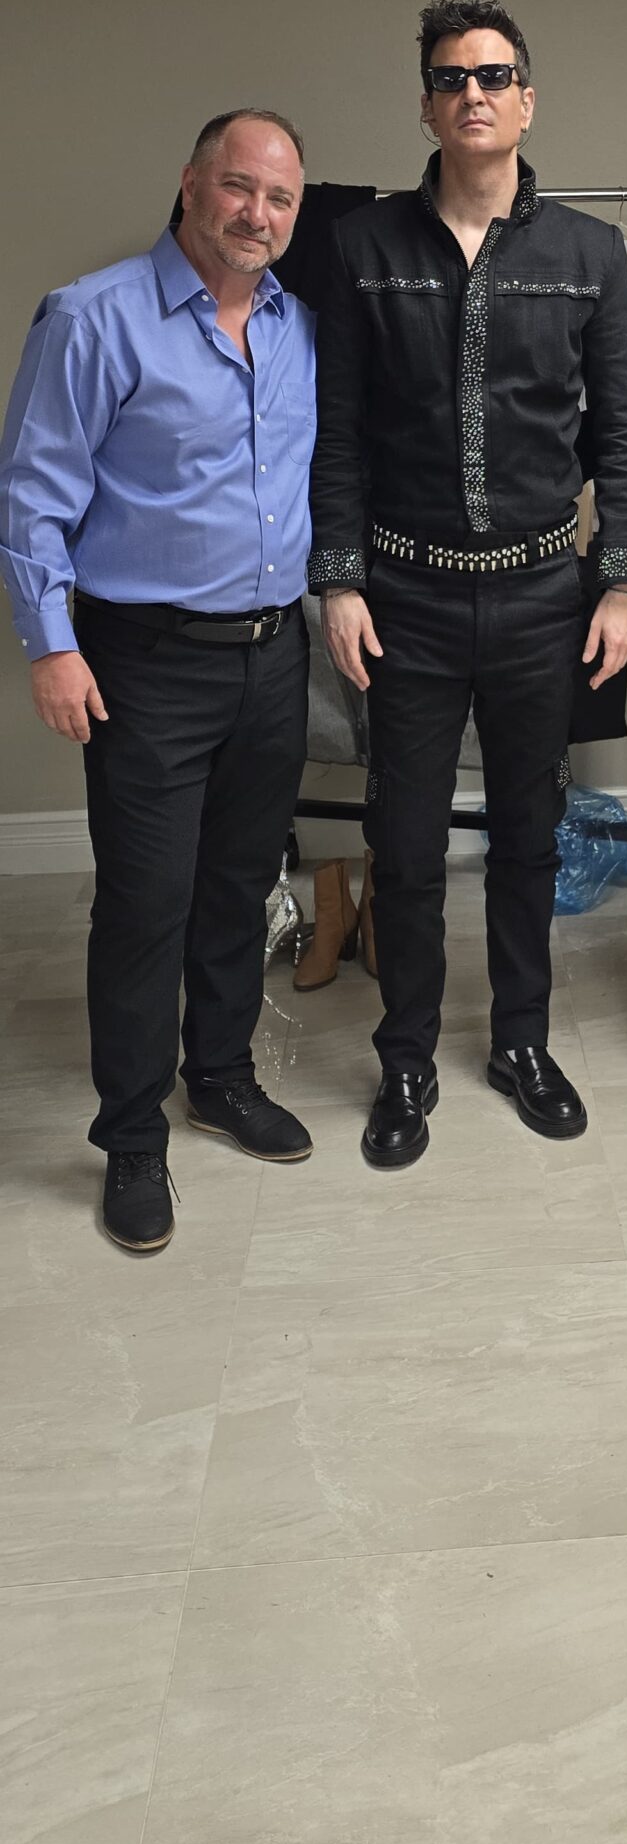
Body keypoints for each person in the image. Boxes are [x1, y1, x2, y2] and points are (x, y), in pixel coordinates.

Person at [309, 0, 627, 1170]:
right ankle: (405, 1058)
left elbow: (621, 437)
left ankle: (520, 1043)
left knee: (526, 837)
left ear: (526, 100)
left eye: (494, 75)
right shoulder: (363, 248)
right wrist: (339, 580)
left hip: (540, 598)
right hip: (400, 598)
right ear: (426, 104)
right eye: (453, 77)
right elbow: (337, 431)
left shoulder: (588, 254)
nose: (474, 93)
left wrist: (620, 584)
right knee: (405, 845)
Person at [0, 112, 317, 1251]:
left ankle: (219, 1077)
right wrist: (51, 646)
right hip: (145, 663)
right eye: (238, 188)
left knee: (239, 885)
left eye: (278, 199)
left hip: (274, 655)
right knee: (145, 906)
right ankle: (132, 1135)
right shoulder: (93, 318)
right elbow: (31, 494)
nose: (256, 215)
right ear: (190, 185)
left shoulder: (296, 327)